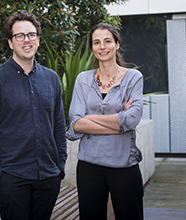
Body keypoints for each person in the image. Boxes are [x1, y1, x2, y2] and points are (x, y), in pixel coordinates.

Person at [0, 11, 67, 220]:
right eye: (20, 36)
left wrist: (59, 167)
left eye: (31, 35)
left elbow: (58, 127)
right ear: (10, 42)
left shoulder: (51, 78)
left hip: (48, 177)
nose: (26, 40)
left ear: (37, 39)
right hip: (11, 178)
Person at [66, 23, 144, 220]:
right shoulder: (83, 80)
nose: (102, 47)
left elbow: (132, 120)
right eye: (96, 42)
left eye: (107, 41)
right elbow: (75, 123)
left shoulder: (133, 78)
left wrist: (90, 118)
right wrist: (119, 123)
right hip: (89, 167)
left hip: (124, 167)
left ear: (117, 44)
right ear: (92, 48)